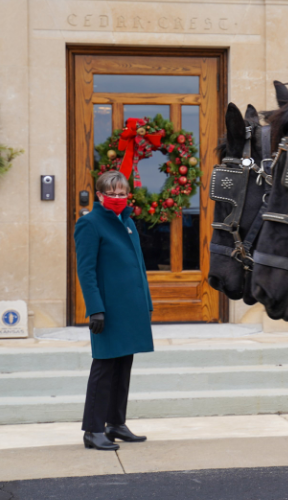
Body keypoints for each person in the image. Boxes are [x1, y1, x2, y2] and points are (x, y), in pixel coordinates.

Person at [74, 170, 154, 451]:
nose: (118, 198)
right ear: (99, 195)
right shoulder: (90, 224)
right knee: (104, 367)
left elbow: (139, 268)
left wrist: (147, 303)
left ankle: (116, 424)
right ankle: (93, 430)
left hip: (131, 309)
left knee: (123, 367)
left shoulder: (128, 222)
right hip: (107, 310)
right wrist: (95, 308)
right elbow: (86, 271)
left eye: (122, 193)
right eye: (112, 194)